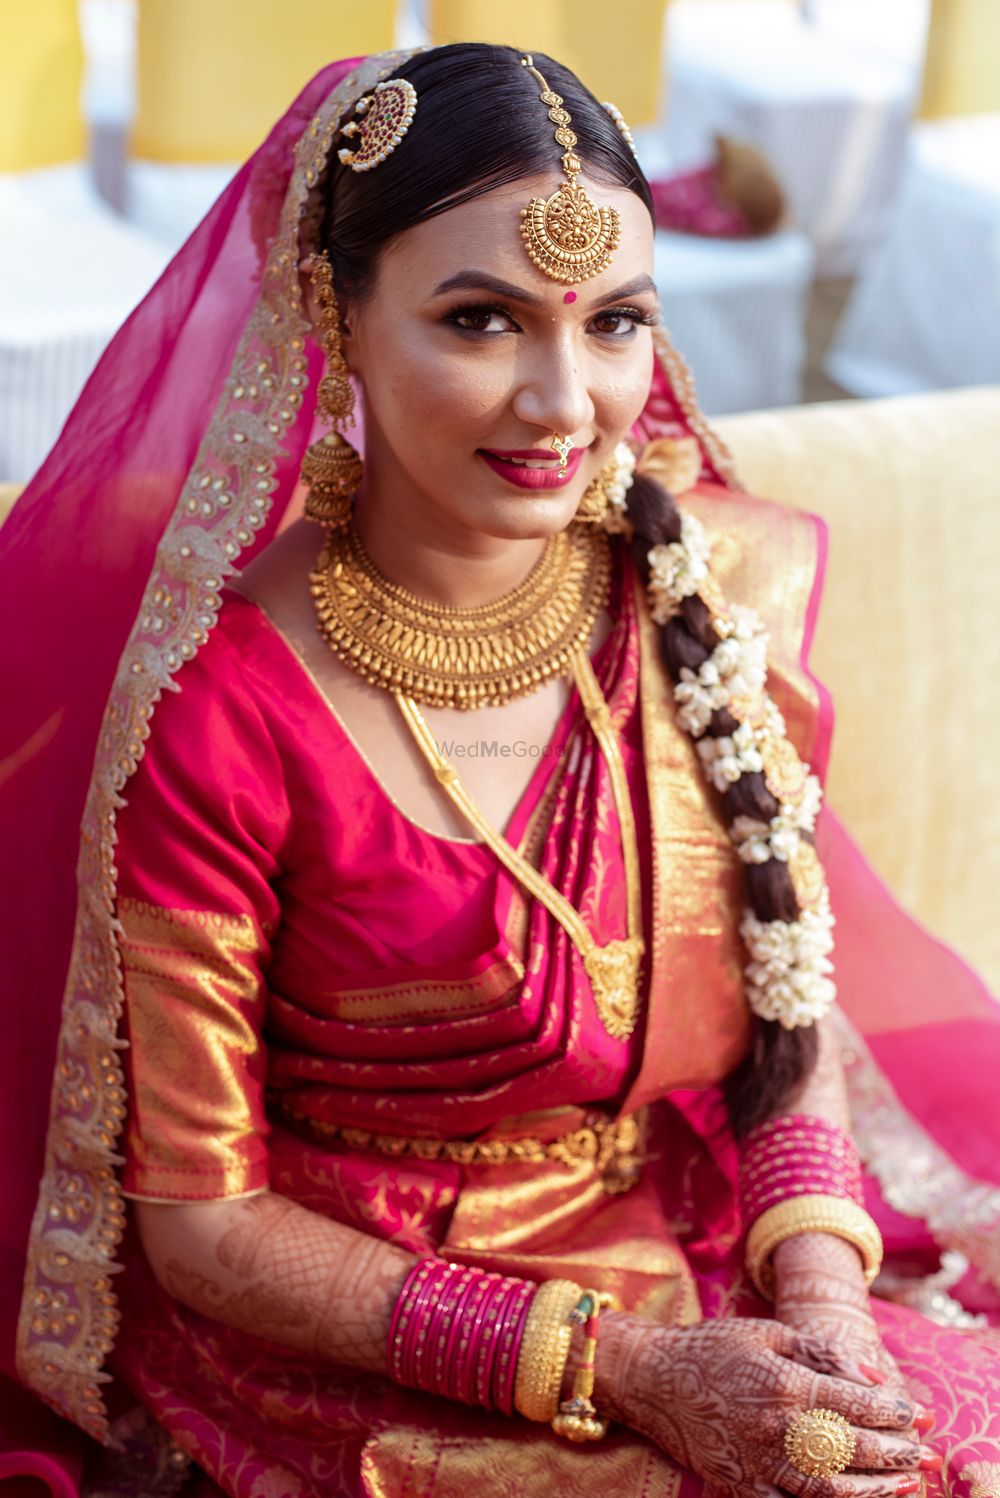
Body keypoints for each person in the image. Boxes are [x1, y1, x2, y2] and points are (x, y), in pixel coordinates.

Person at [1, 42, 998, 1498]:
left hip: (688, 1242)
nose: (563, 400)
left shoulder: (698, 593)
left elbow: (788, 1027)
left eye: (615, 323)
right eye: (482, 319)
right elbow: (204, 1232)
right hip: (365, 1326)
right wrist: (637, 1371)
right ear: (332, 318)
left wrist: (827, 1320)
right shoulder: (220, 712)